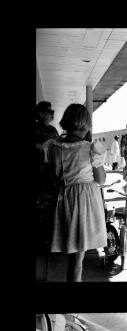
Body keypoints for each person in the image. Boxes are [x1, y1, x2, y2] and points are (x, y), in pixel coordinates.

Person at [43, 104, 107, 282]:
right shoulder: (91, 148)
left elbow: (50, 179)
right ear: (86, 124)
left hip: (63, 200)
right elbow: (101, 180)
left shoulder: (52, 147)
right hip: (84, 203)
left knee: (73, 256)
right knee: (78, 260)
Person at [36, 102, 60, 252]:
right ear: (40, 113)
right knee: (39, 207)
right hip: (38, 174)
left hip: (52, 175)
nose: (52, 113)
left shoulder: (53, 130)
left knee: (51, 206)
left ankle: (49, 239)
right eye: (49, 111)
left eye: (52, 111)